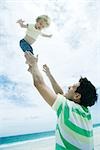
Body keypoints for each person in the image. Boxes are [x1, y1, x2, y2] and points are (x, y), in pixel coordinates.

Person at [24, 52, 98, 150]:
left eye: (72, 87)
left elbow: (39, 84)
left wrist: (34, 65)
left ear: (77, 95)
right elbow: (61, 95)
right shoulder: (86, 113)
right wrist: (48, 75)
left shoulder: (67, 108)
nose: (69, 87)